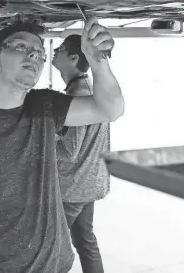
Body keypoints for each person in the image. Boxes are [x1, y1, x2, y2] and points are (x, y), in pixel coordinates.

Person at [0, 18, 124, 273]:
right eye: (20, 46)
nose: (34, 55)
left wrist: (98, 61)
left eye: (40, 53)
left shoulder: (44, 107)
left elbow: (110, 109)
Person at [52, 34, 110, 273]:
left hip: (73, 188)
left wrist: (37, 140)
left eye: (62, 48)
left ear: (74, 57)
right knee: (85, 241)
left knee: (50, 248)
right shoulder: (88, 88)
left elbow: (68, 150)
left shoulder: (77, 96)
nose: (55, 50)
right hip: (90, 183)